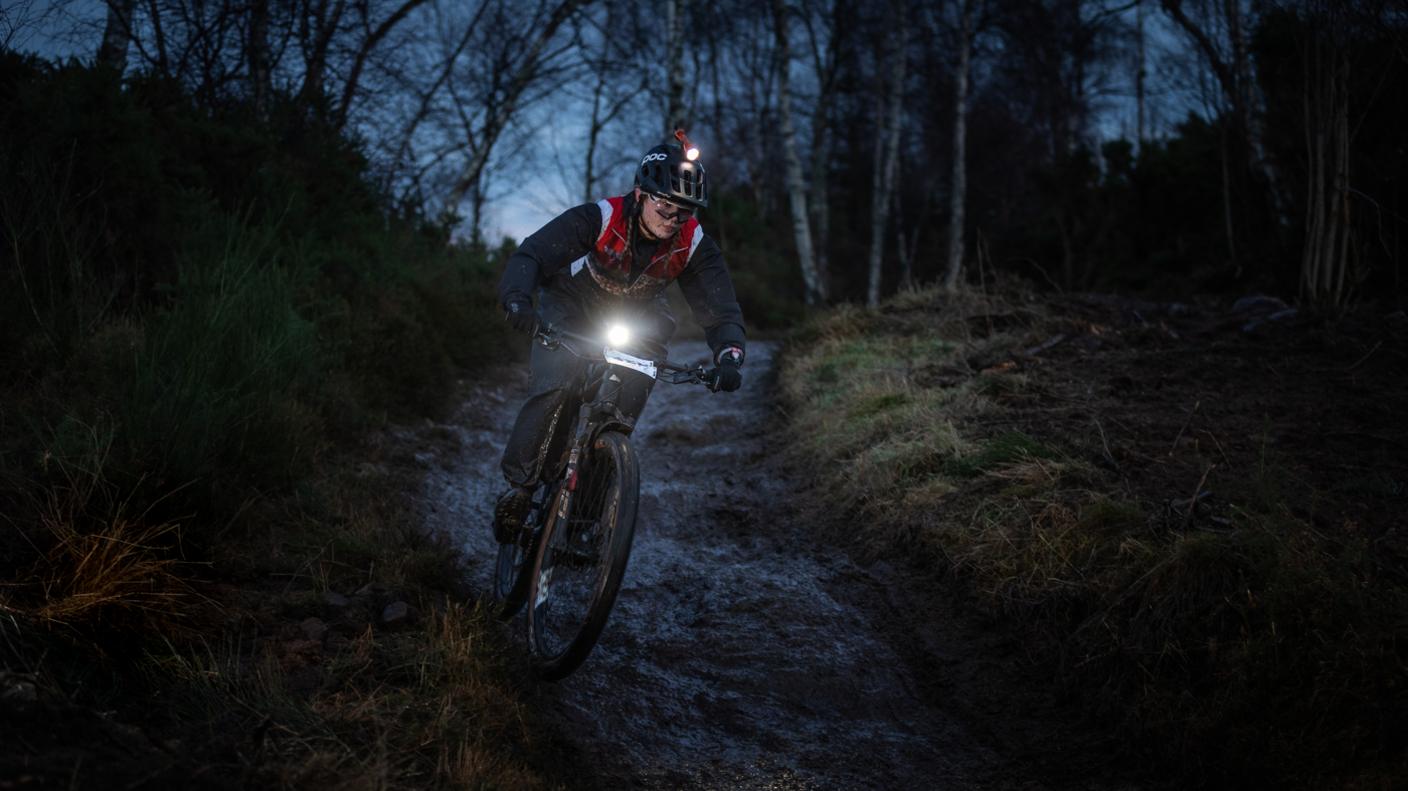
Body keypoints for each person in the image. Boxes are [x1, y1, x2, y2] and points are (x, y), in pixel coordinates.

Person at [491, 134, 747, 542]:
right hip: (571, 303)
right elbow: (533, 255)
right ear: (641, 193)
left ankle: (582, 522)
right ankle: (520, 489)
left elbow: (720, 310)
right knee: (556, 384)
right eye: (664, 204)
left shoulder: (694, 242)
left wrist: (730, 355)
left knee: (622, 412)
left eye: (684, 211)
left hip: (638, 315)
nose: (672, 218)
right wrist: (518, 300)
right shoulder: (600, 216)